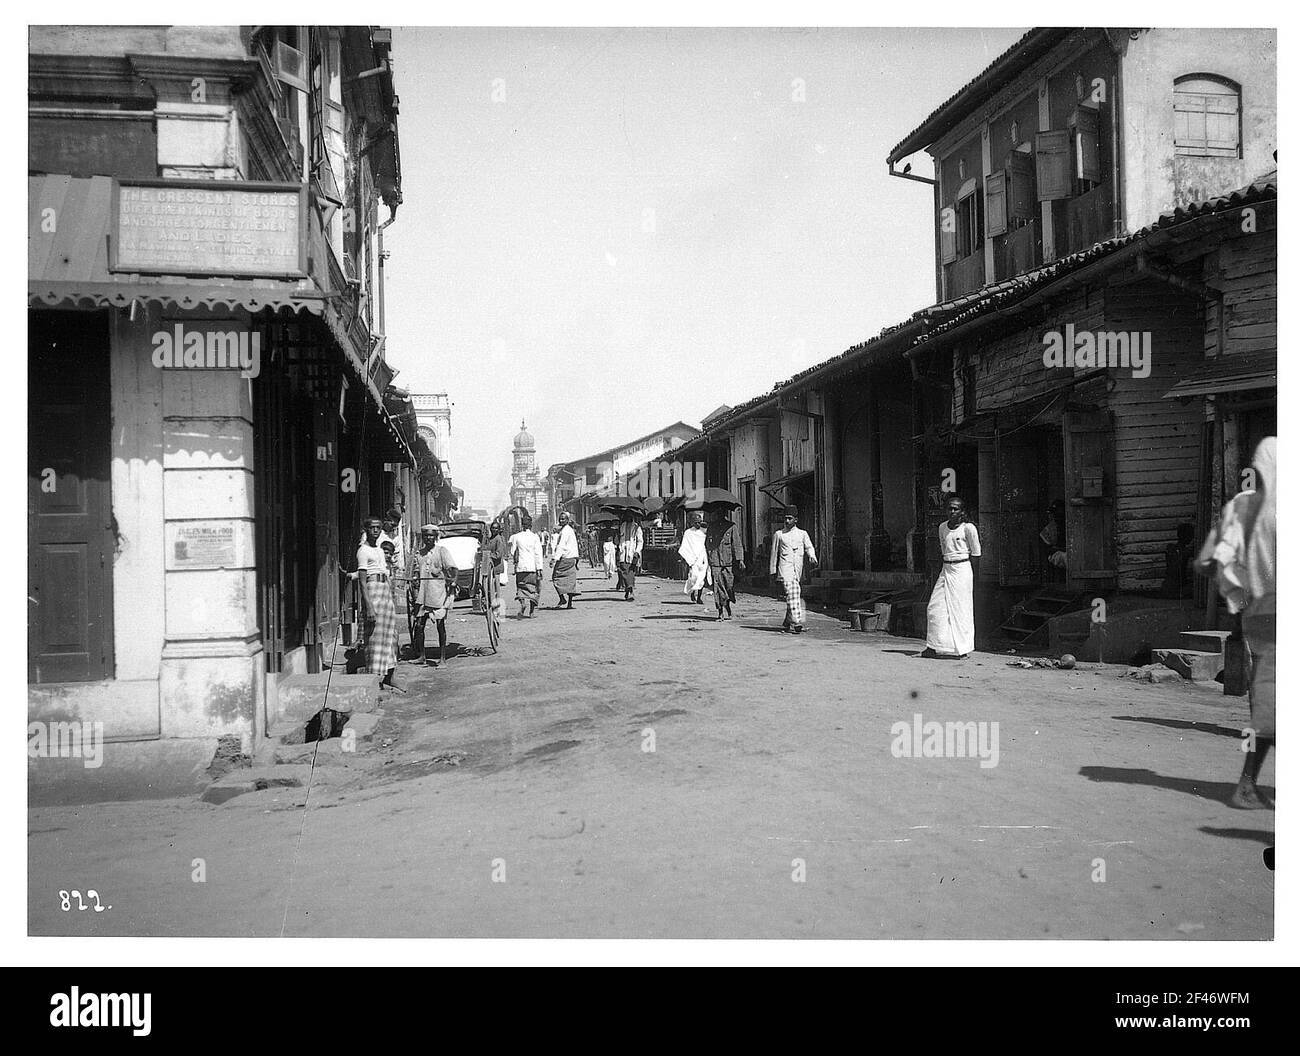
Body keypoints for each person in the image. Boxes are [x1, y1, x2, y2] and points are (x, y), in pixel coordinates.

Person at [1224, 437, 1276, 811]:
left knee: (1268, 700)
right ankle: (1245, 785)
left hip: (1257, 613)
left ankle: (1247, 783)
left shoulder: (1241, 507)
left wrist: (1238, 606)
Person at [923, 495, 981, 659]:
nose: (952, 512)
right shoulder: (942, 527)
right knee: (934, 608)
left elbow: (976, 554)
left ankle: (963, 649)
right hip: (946, 568)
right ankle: (933, 646)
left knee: (961, 610)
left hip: (962, 570)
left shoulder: (968, 528)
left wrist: (974, 578)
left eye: (956, 509)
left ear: (962, 512)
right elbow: (943, 549)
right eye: (949, 508)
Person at [354, 515, 402, 691]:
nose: (375, 531)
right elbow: (361, 580)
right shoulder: (363, 551)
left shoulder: (381, 551)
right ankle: (374, 680)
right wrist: (369, 607)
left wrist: (390, 595)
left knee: (390, 635)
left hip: (384, 590)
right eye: (372, 528)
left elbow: (385, 573)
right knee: (374, 637)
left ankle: (389, 676)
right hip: (372, 590)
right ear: (366, 530)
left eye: (378, 528)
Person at [408, 524, 458, 667]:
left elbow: (453, 569)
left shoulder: (442, 551)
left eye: (431, 535)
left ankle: (442, 658)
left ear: (435, 537)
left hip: (438, 594)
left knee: (440, 626)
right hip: (422, 595)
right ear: (422, 537)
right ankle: (422, 656)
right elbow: (415, 573)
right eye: (425, 535)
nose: (428, 538)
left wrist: (453, 582)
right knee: (419, 626)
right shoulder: (419, 554)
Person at [769, 506, 817, 634]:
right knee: (793, 592)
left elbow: (809, 547)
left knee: (793, 594)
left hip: (798, 570)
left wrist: (812, 556)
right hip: (785, 569)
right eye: (785, 518)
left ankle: (787, 621)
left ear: (796, 520)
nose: (787, 521)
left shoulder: (802, 534)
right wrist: (772, 571)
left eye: (790, 518)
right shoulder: (779, 535)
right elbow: (774, 554)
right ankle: (796, 621)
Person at [706, 505, 745, 621]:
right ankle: (720, 612)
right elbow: (707, 543)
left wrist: (740, 559)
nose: (718, 515)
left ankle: (727, 606)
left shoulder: (731, 527)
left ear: (724, 514)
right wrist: (709, 556)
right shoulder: (711, 527)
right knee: (718, 587)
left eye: (720, 513)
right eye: (717, 513)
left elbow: (737, 544)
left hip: (728, 562)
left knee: (729, 586)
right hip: (715, 561)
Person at [509, 511, 544, 617]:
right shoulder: (535, 537)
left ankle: (523, 603)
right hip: (532, 567)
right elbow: (538, 554)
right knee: (534, 588)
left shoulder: (516, 537)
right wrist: (540, 568)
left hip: (521, 567)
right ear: (531, 525)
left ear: (522, 525)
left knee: (521, 587)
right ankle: (532, 611)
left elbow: (512, 552)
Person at [551, 511, 581, 609]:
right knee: (571, 581)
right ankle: (569, 603)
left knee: (555, 577)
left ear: (567, 520)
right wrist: (576, 559)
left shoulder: (565, 531)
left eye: (563, 519)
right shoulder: (569, 530)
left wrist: (554, 559)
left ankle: (562, 598)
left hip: (565, 559)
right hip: (572, 558)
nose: (561, 520)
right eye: (560, 518)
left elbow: (561, 546)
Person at [678, 511, 710, 604]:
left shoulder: (703, 532)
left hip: (702, 557)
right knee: (693, 577)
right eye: (696, 522)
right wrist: (688, 558)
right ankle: (692, 592)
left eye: (699, 522)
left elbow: (706, 543)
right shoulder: (688, 533)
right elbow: (685, 546)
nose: (698, 524)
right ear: (692, 523)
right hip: (693, 559)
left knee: (702, 578)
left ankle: (699, 597)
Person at [616, 515, 644, 601]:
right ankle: (628, 589)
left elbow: (640, 541)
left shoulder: (637, 527)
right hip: (623, 552)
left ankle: (630, 590)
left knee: (631, 571)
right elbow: (619, 539)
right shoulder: (622, 526)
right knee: (623, 571)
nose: (629, 517)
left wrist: (637, 551)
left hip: (632, 553)